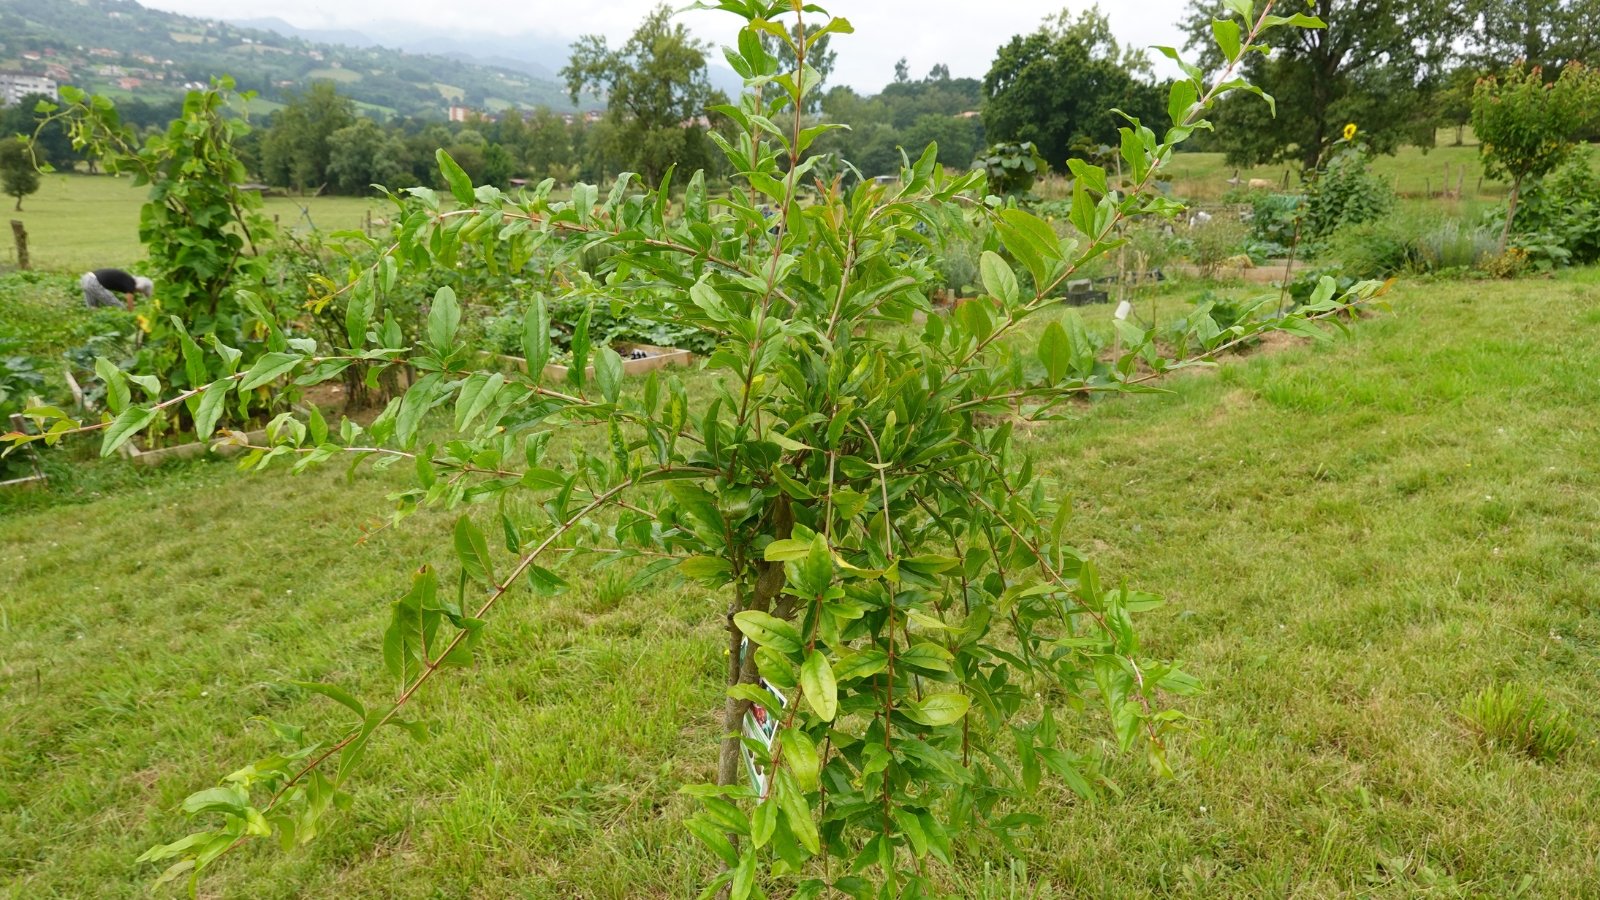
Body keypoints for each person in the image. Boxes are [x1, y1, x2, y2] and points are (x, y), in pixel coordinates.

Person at [80, 268, 154, 310]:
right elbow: (129, 298)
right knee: (119, 308)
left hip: (86, 278)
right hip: (94, 282)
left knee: (93, 308)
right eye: (140, 292)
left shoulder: (127, 279)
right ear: (140, 288)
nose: (138, 292)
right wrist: (131, 314)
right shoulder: (131, 282)